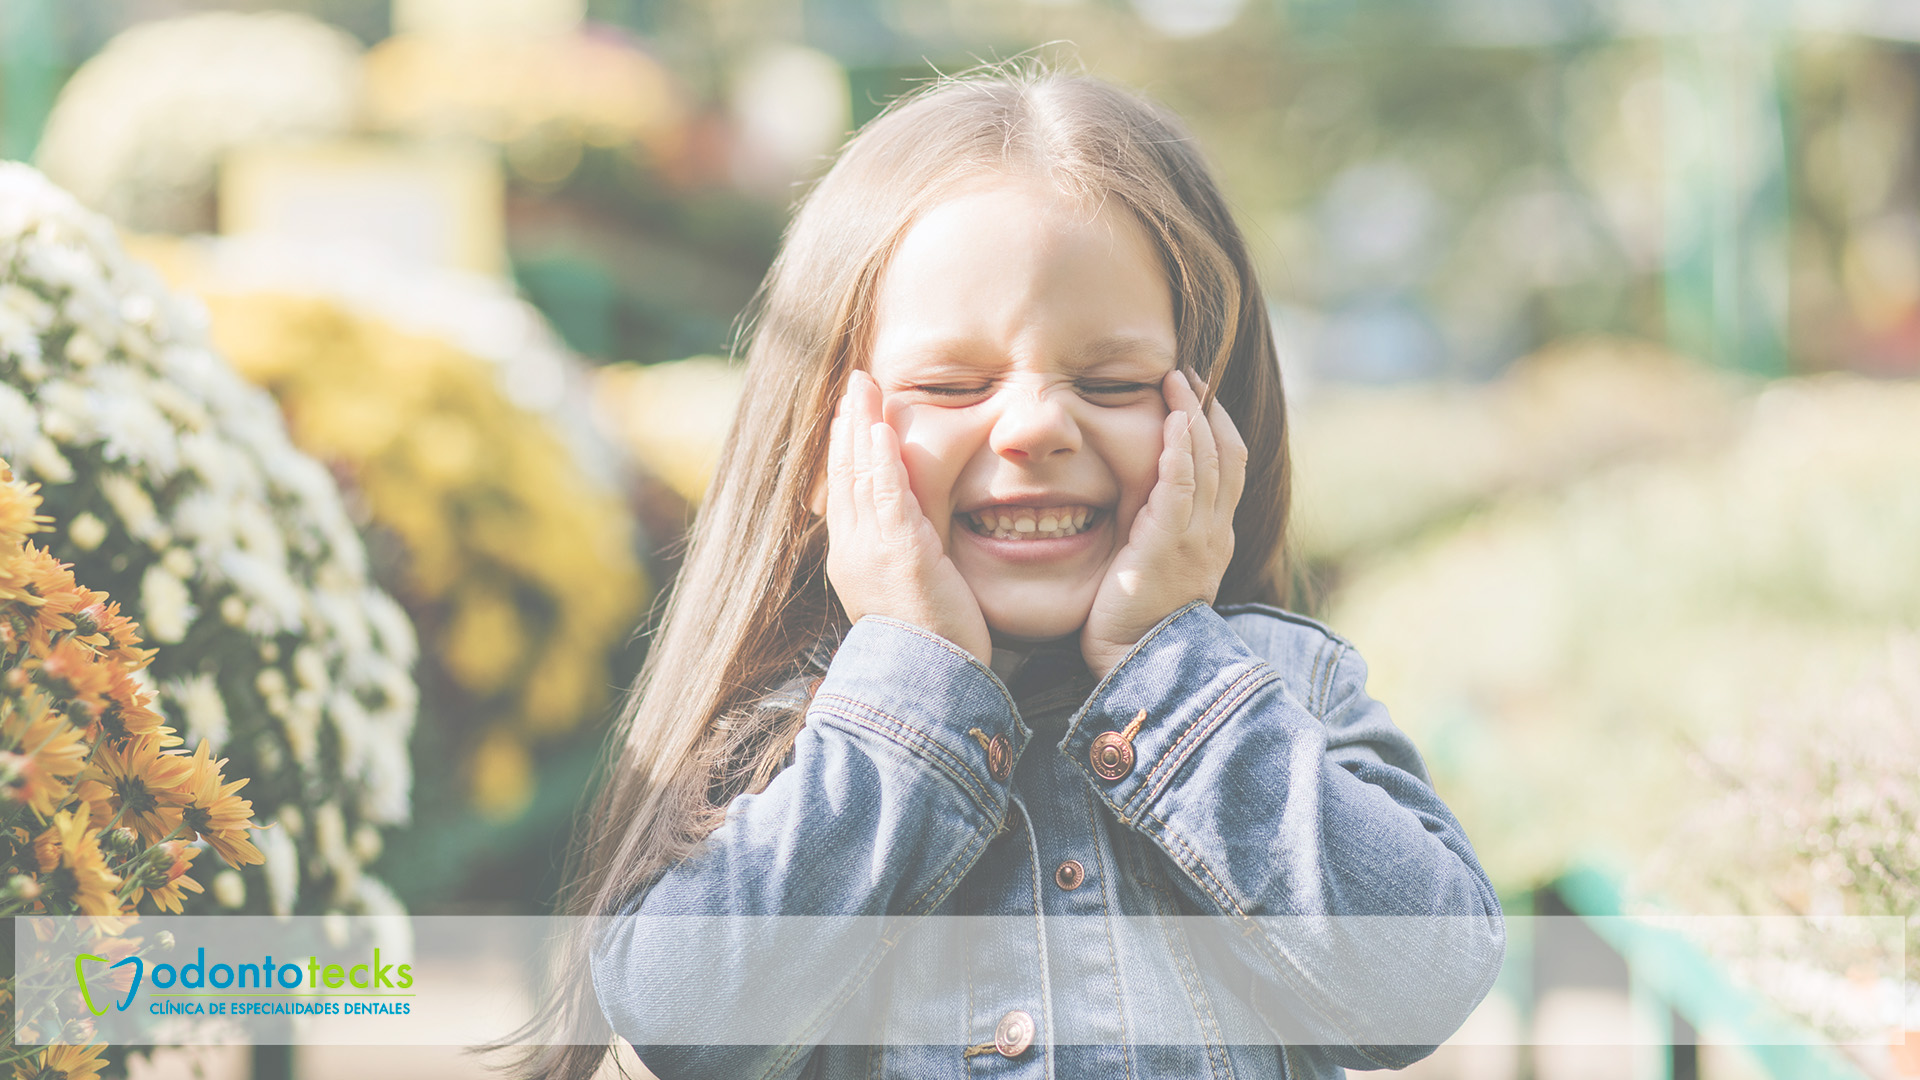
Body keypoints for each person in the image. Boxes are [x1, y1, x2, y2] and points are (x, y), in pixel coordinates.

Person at [518, 62, 1504, 1080]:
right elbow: (684, 1021)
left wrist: (1168, 668)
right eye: (952, 383)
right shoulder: (788, 737)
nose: (1035, 426)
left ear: (1217, 425)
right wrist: (913, 686)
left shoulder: (1283, 693)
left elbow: (1421, 985)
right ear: (817, 453)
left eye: (1112, 381)